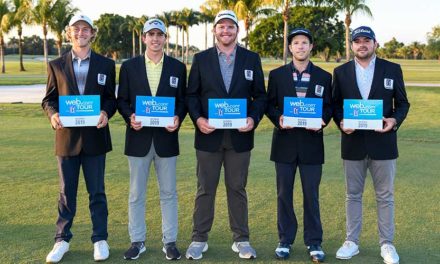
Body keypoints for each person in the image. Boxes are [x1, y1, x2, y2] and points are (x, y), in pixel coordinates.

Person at [184, 10, 266, 260]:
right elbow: (191, 95)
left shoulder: (251, 59)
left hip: (239, 138)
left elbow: (260, 96)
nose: (226, 31)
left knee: (237, 188)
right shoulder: (201, 59)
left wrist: (253, 118)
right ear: (214, 31)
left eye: (230, 27)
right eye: (221, 27)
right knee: (205, 188)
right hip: (209, 136)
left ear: (237, 31)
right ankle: (199, 238)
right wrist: (198, 119)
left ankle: (241, 239)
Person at [42, 14, 116, 263]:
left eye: (86, 29)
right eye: (76, 29)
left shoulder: (106, 65)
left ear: (92, 33)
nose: (81, 33)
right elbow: (49, 99)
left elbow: (110, 98)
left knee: (97, 192)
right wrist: (53, 115)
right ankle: (62, 240)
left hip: (95, 137)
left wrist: (106, 112)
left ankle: (100, 239)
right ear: (69, 33)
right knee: (66, 193)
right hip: (67, 138)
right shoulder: (56, 65)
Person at [333, 26, 410, 264]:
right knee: (352, 195)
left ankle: (387, 244)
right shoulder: (341, 71)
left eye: (367, 40)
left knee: (385, 196)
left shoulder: (392, 69)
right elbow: (335, 106)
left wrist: (394, 120)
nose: (362, 45)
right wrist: (341, 122)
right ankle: (352, 242)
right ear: (352, 45)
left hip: (383, 143)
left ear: (375, 44)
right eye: (358, 41)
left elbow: (403, 104)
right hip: (353, 143)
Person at [117, 18, 187, 261]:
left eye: (160, 34)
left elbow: (182, 101)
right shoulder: (129, 66)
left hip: (166, 140)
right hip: (138, 139)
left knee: (169, 193)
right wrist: (130, 117)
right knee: (136, 194)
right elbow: (122, 101)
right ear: (144, 38)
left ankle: (170, 241)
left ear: (165, 38)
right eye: (151, 34)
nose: (155, 38)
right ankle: (137, 241)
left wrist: (178, 117)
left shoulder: (177, 68)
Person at [266, 28, 332, 263]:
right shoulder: (277, 75)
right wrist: (278, 119)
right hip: (284, 144)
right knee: (284, 194)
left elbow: (328, 107)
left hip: (312, 145)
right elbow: (270, 105)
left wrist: (323, 121)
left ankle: (314, 242)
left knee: (311, 195)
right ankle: (285, 240)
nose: (300, 46)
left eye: (305, 42)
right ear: (290, 47)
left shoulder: (324, 77)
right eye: (296, 43)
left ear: (311, 47)